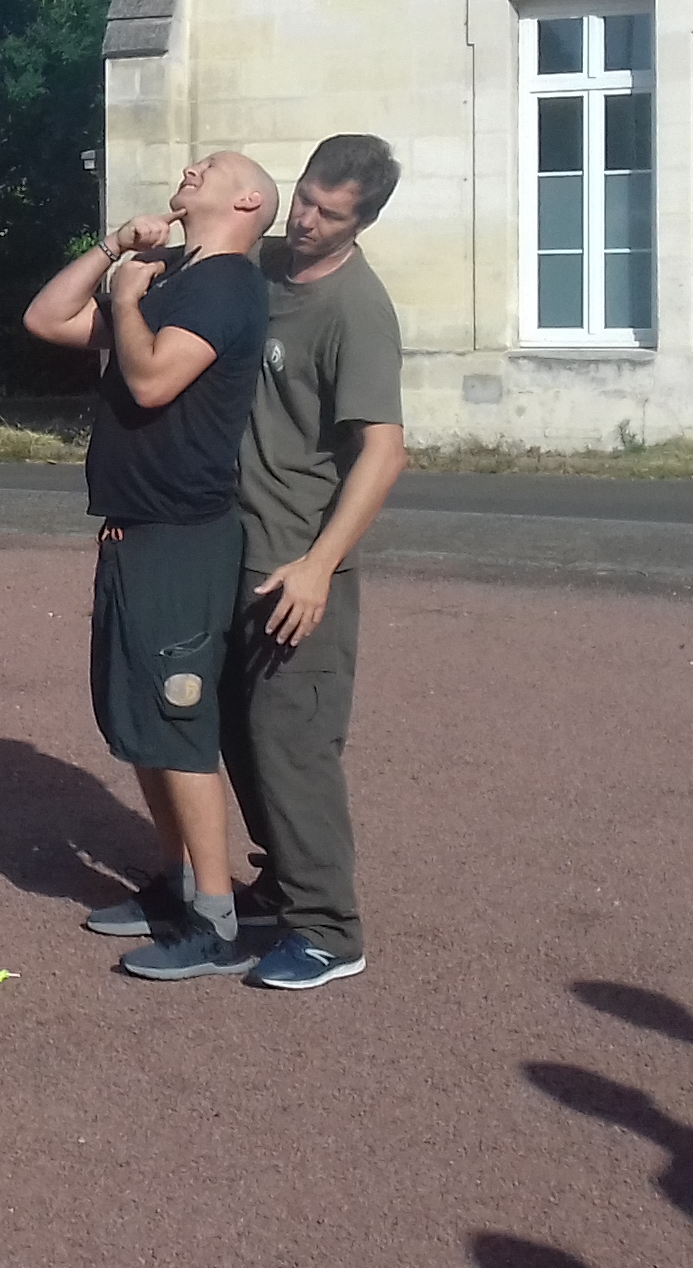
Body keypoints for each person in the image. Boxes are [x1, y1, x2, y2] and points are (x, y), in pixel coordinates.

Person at [23, 150, 278, 980]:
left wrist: (128, 299)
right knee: (137, 721)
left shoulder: (228, 284)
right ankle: (174, 886)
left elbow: (156, 377)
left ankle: (215, 917)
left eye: (214, 166)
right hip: (137, 529)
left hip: (183, 534)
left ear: (248, 200)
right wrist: (112, 250)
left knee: (176, 723)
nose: (191, 167)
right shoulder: (170, 276)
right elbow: (48, 319)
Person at [229, 133, 407, 990]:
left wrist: (318, 565)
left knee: (291, 742)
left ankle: (330, 930)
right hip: (229, 544)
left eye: (328, 215)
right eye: (303, 199)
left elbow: (383, 450)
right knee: (233, 729)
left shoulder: (356, 310)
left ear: (362, 221)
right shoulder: (261, 264)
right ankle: (277, 884)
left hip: (297, 562)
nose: (303, 221)